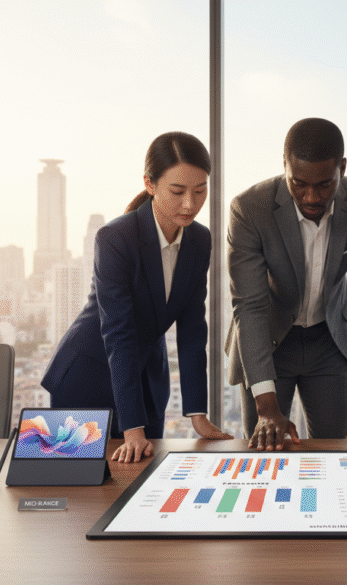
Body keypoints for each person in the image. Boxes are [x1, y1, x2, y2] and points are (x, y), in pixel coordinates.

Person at [42, 132, 232, 463]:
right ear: (150, 184)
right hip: (88, 375)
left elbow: (191, 329)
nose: (190, 204)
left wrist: (197, 414)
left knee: (141, 483)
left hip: (146, 381)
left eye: (200, 191)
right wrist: (132, 429)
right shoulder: (115, 238)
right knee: (78, 492)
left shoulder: (199, 240)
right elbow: (119, 334)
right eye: (177, 191)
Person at [226, 118, 347, 450]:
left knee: (338, 451)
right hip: (267, 341)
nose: (311, 196)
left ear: (342, 168)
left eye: (325, 184)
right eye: (298, 183)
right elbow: (250, 306)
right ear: (284, 166)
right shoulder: (249, 209)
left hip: (329, 341)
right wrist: (267, 409)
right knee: (265, 452)